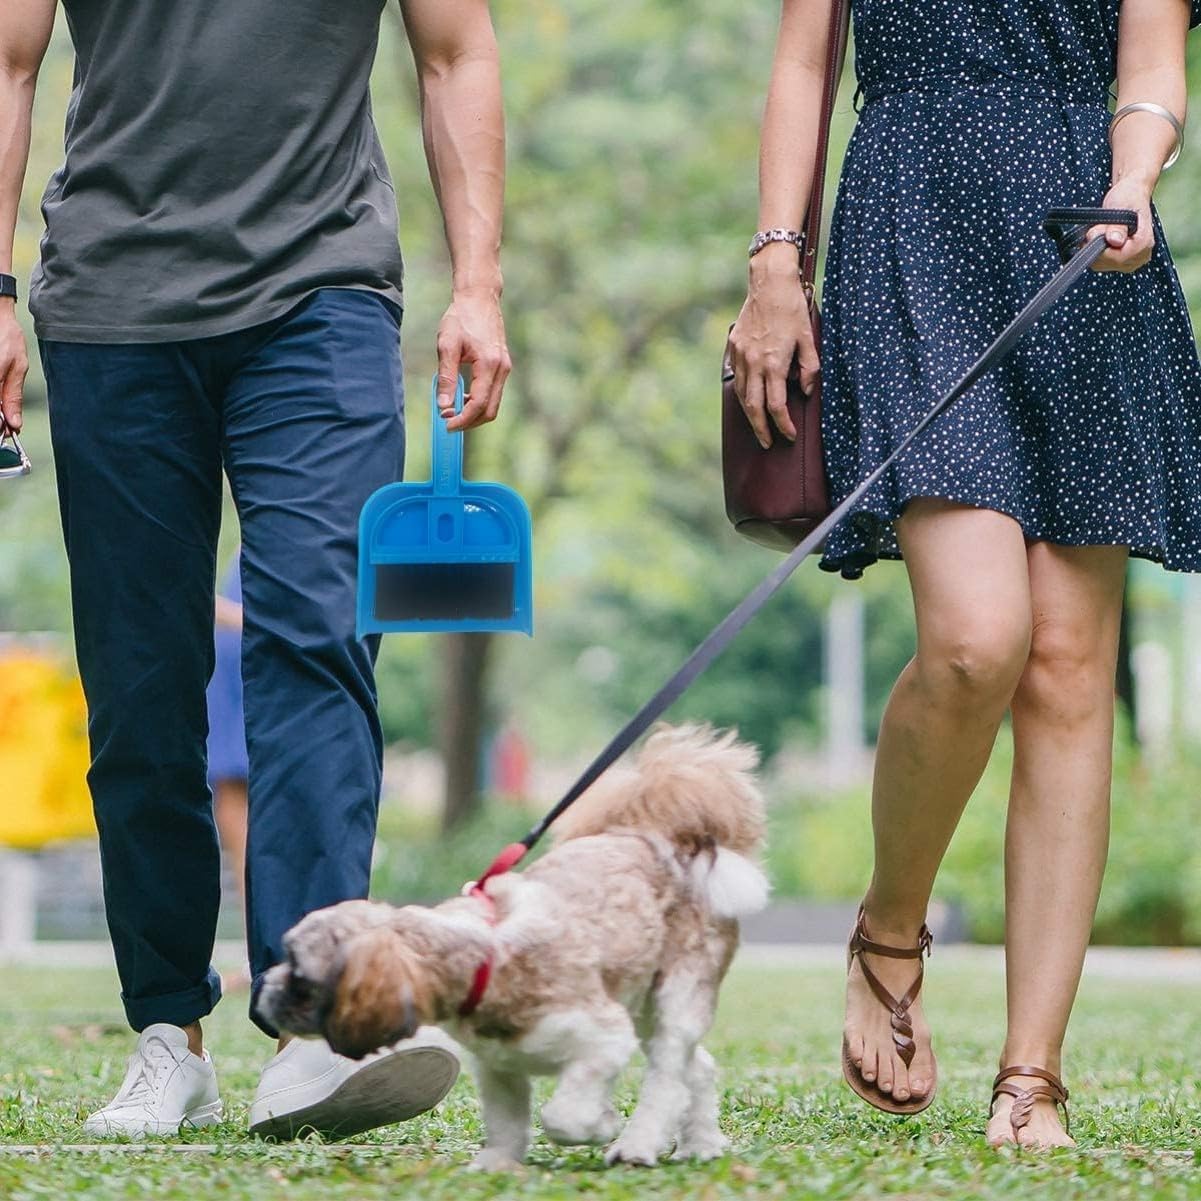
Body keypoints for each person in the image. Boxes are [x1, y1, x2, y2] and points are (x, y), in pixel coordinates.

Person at [0, 0, 511, 1140]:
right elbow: (9, 60)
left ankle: (315, 1024)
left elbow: (456, 49)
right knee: (140, 683)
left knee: (319, 634)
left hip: (319, 297)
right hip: (110, 308)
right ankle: (166, 1031)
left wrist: (476, 282)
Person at [730, 0, 1201, 1148]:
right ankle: (890, 931)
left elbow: (1149, 69)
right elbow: (804, 57)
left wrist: (1134, 173)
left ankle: (1030, 1074)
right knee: (977, 638)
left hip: (1077, 236)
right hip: (911, 223)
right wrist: (776, 263)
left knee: (1068, 668)